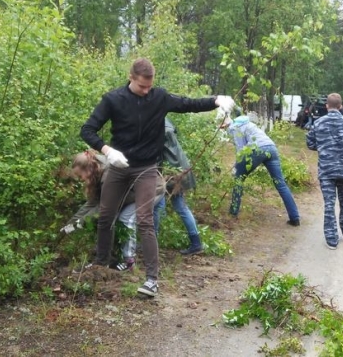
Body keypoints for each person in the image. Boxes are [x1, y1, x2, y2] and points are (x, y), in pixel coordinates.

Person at [80, 58, 234, 297]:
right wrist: (107, 151)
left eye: (149, 86)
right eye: (142, 86)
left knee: (145, 220)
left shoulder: (158, 97)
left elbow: (187, 104)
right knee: (106, 215)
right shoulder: (113, 100)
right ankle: (102, 266)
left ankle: (152, 280)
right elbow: (87, 129)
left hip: (146, 168)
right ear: (131, 78)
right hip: (119, 167)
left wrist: (216, 101)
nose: (146, 91)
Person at [62, 151, 164, 271]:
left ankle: (129, 262)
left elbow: (102, 209)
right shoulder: (98, 171)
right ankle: (111, 257)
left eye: (81, 176)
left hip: (151, 189)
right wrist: (70, 224)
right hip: (131, 192)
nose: (82, 179)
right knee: (110, 218)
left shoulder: (108, 175)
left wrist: (79, 223)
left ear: (89, 168)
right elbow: (92, 203)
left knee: (126, 218)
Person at [306, 93, 343, 250]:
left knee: (329, 204)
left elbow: (310, 143)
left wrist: (324, 147)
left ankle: (332, 241)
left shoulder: (318, 123)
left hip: (326, 171)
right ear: (340, 106)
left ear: (327, 106)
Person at [220, 113, 300, 226]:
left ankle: (233, 213)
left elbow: (241, 150)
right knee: (281, 184)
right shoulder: (249, 124)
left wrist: (237, 167)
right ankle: (295, 218)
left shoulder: (234, 128)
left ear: (226, 125)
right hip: (271, 148)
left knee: (238, 179)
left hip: (257, 150)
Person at [152, 118, 204, 255]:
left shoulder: (156, 126)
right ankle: (196, 242)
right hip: (178, 169)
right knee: (175, 206)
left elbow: (157, 154)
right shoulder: (164, 122)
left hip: (172, 172)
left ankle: (152, 242)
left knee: (159, 206)